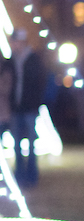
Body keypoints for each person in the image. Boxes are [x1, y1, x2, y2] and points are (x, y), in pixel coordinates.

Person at [9, 28, 48, 187]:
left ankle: (31, 175)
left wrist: (35, 102)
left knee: (31, 142)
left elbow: (40, 82)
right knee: (17, 142)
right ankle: (20, 174)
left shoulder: (33, 59)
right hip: (16, 107)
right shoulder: (11, 60)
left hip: (30, 107)